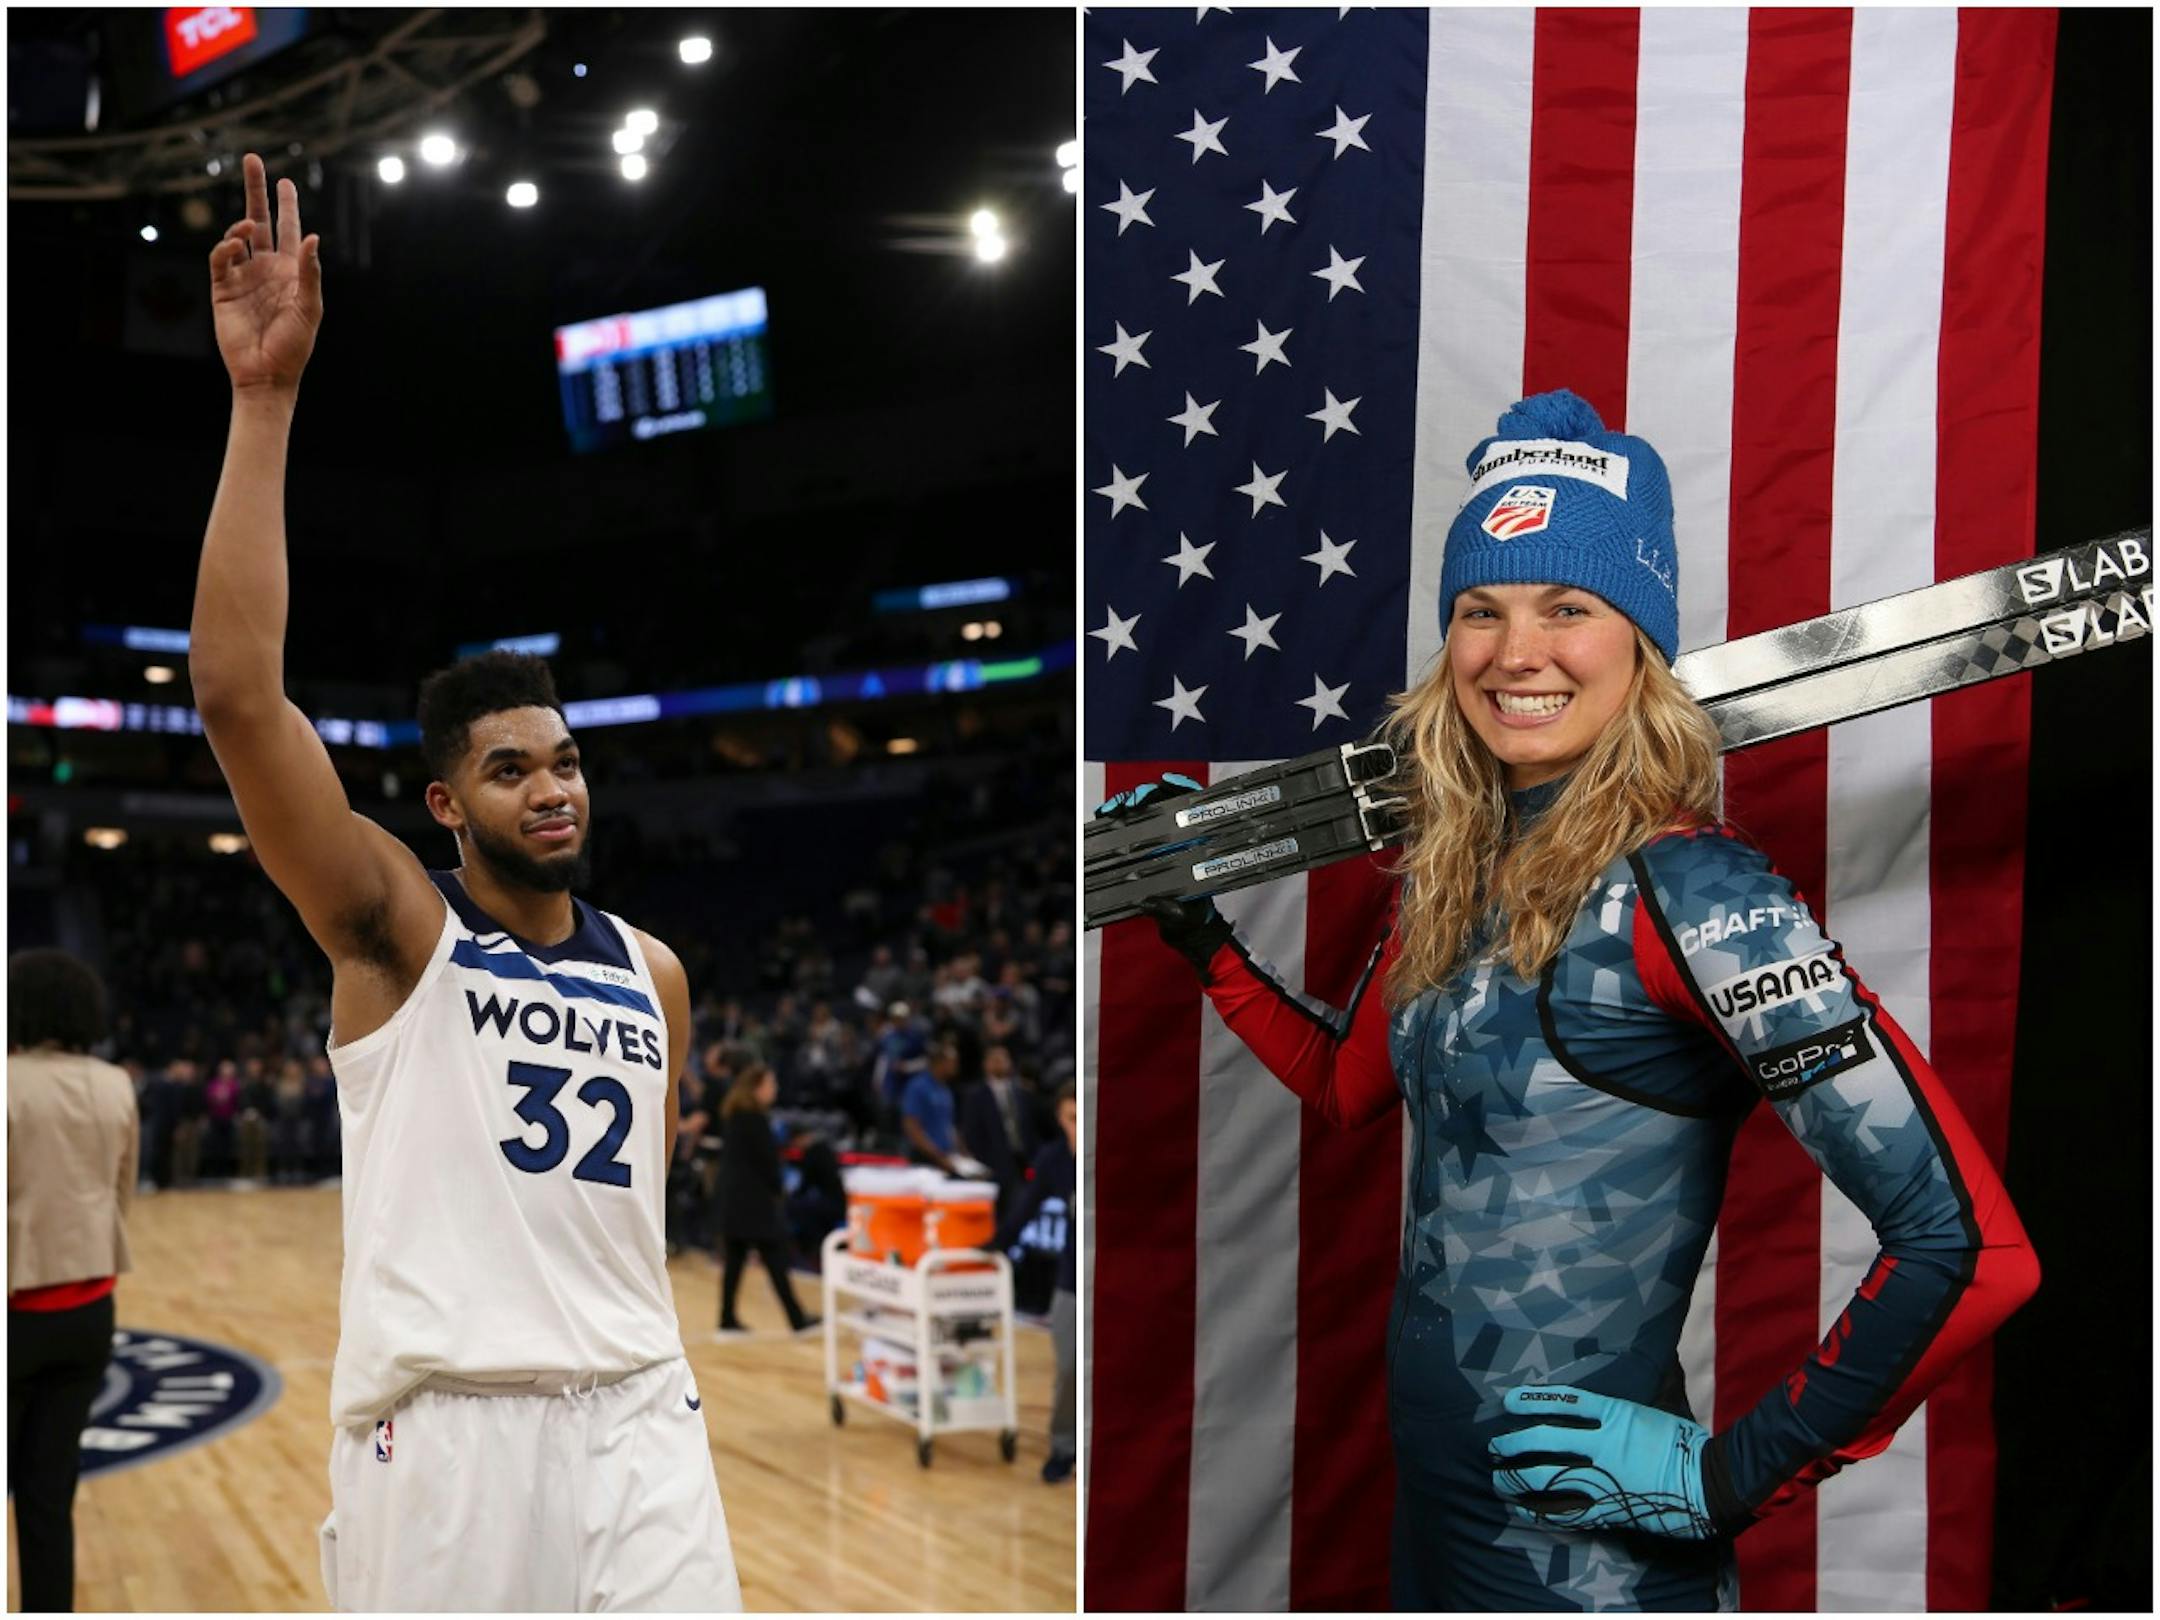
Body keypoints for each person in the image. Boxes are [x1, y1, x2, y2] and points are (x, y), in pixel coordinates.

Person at [1120, 390, 2040, 1610]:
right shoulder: (1457, 873)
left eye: (1569, 607)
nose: (1516, 652)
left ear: (1640, 638)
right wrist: (1204, 941)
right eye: (1479, 611)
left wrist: (1727, 1481)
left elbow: (1973, 1251)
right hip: (1437, 1535)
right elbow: (1350, 1091)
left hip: (1593, 1572)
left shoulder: (1696, 895)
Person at [194, 154, 738, 1611]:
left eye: (564, 761)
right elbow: (242, 698)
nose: (552, 787)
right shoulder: (394, 929)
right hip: (447, 1440)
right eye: (511, 770)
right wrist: (263, 405)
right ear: (446, 802)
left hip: (642, 1416)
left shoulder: (656, 970)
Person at [8, 948, 140, 1613]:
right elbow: (123, 1193)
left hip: (15, 1309)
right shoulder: (115, 1083)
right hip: (90, 1309)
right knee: (47, 1497)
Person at [993, 1082, 1076, 1485]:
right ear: (1060, 1120)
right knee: (1068, 1368)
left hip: (1120, 1279)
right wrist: (994, 1247)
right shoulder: (1055, 1159)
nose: (1079, 1126)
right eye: (1071, 1118)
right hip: (1072, 1279)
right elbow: (1026, 1208)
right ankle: (1063, 1447)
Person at [712, 1064, 817, 1339]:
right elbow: (767, 1163)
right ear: (757, 1087)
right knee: (774, 1257)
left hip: (733, 1199)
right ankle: (797, 1319)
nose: (775, 1089)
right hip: (752, 1203)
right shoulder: (753, 1118)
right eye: (771, 1084)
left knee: (735, 1261)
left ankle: (727, 1318)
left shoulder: (734, 1116)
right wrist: (778, 1188)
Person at [960, 1042, 1040, 1221]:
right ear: (985, 1064)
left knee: (1019, 1210)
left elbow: (1031, 1128)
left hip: (1022, 1162)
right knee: (995, 1212)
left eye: (1002, 1059)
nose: (998, 1063)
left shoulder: (1022, 1093)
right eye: (994, 1059)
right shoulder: (975, 1095)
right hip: (992, 1164)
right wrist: (984, 1162)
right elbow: (971, 1133)